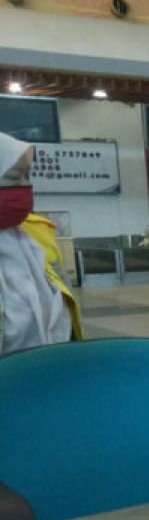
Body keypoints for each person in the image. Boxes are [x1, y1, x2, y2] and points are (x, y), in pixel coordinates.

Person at [0, 132, 81, 356]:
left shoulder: (38, 233)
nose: (25, 187)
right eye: (14, 179)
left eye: (27, 177)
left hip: (48, 371)